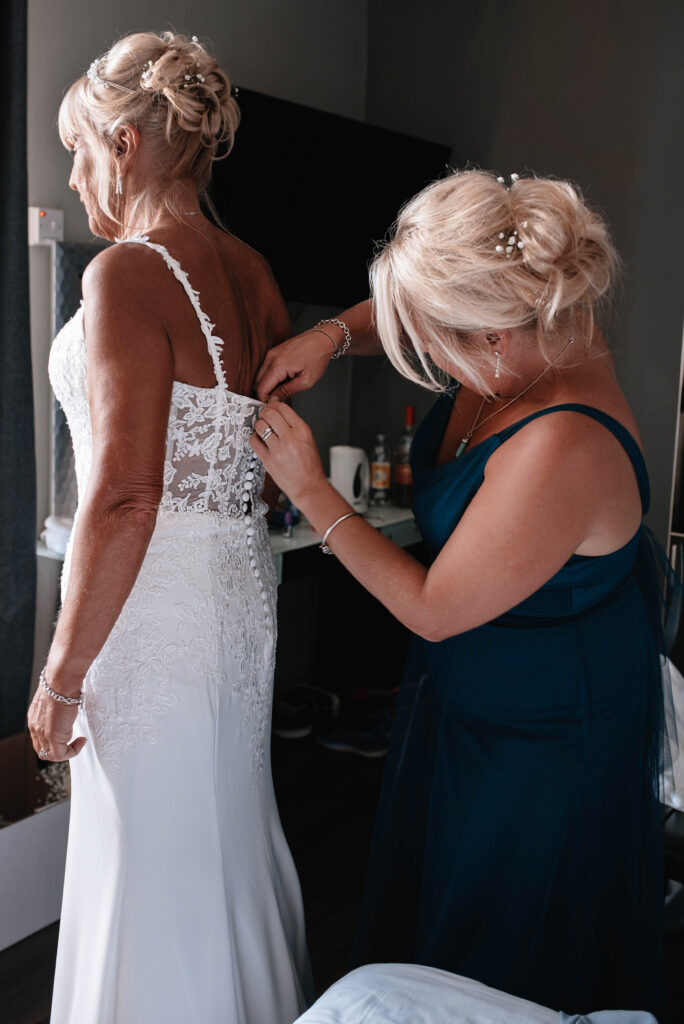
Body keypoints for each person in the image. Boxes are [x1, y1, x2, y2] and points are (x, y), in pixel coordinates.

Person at [252, 169, 669, 1016]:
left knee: (509, 933)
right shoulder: (539, 315)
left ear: (493, 340)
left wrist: (313, 491)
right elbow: (421, 298)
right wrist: (331, 336)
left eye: (433, 344)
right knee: (448, 901)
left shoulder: (561, 447)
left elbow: (434, 608)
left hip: (550, 731)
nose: (422, 359)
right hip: (482, 695)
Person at [27, 31, 311, 1024]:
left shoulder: (126, 275)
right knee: (221, 825)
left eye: (77, 147)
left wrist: (60, 678)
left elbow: (124, 499)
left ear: (126, 142)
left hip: (148, 610)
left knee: (150, 847)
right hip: (236, 594)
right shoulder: (256, 273)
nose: (74, 171)